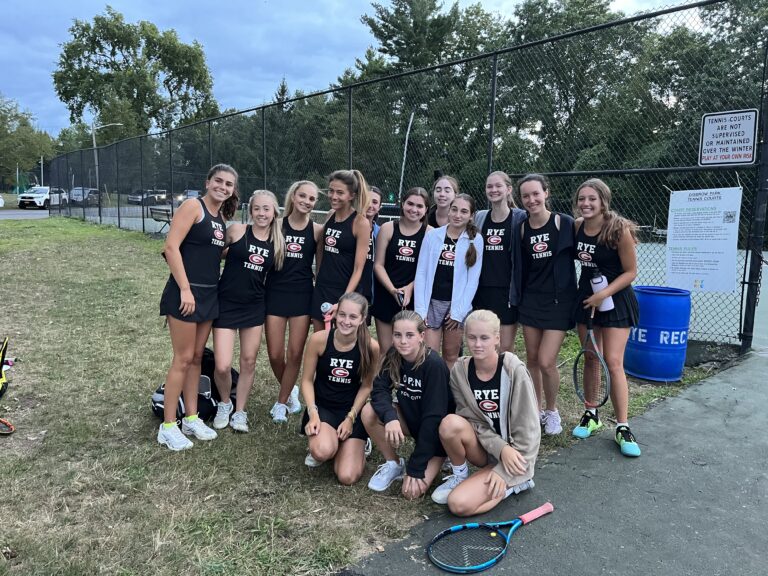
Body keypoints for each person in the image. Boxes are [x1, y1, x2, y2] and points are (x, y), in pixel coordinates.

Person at [157, 164, 239, 450]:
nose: (223, 187)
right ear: (208, 181)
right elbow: (171, 247)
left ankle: (191, 417)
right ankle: (168, 425)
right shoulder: (194, 206)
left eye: (229, 184)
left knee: (195, 359)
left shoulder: (220, 219)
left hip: (209, 296)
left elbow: (212, 254)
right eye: (219, 180)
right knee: (181, 359)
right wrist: (184, 289)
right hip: (185, 295)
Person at [433, 310, 540, 515]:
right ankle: (460, 475)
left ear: (497, 339)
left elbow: (529, 431)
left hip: (516, 456)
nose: (478, 344)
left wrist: (504, 470)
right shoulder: (460, 371)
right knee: (450, 424)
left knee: (458, 504)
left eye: (484, 338)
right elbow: (470, 420)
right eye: (472, 338)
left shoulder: (513, 370)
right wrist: (500, 448)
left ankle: (515, 484)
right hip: (487, 449)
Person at [571, 178, 641, 457]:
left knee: (613, 361)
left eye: (592, 199)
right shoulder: (577, 226)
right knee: (590, 357)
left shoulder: (618, 229)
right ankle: (591, 413)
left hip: (617, 301)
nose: (586, 203)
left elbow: (631, 271)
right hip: (587, 301)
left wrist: (604, 295)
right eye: (582, 199)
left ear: (603, 201)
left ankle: (623, 426)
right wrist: (594, 298)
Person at [210, 190, 284, 433]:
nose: (262, 213)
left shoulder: (278, 243)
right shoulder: (236, 231)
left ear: (274, 212)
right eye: (257, 208)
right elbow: (212, 254)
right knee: (222, 365)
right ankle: (224, 403)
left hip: (254, 306)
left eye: (266, 209)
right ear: (250, 210)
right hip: (227, 302)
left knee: (248, 361)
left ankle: (240, 411)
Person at [362, 311, 451, 498]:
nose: (403, 341)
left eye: (409, 335)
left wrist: (416, 466)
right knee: (369, 411)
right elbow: (379, 390)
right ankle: (393, 463)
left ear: (422, 336)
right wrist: (390, 418)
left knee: (410, 493)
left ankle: (443, 458)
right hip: (412, 421)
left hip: (436, 435)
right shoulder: (394, 355)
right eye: (397, 335)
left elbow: (434, 417)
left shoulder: (433, 364)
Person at [517, 174, 577, 436]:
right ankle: (537, 409)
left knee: (546, 360)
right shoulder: (522, 228)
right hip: (531, 300)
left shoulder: (565, 223)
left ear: (546, 193)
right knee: (531, 359)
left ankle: (552, 411)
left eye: (535, 194)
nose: (531, 200)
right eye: (526, 196)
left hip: (559, 302)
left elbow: (589, 242)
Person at [300, 292, 380, 485]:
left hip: (351, 410)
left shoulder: (371, 347)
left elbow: (367, 386)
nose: (346, 321)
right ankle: (331, 442)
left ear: (362, 319)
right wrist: (313, 413)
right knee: (322, 451)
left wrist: (351, 418)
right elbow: (307, 381)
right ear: (335, 314)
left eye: (353, 317)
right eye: (342, 314)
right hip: (324, 408)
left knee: (347, 477)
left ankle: (358, 444)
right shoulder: (319, 339)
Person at [265, 181, 324, 423]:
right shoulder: (275, 225)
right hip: (275, 294)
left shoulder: (317, 231)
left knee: (295, 353)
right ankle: (291, 392)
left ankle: (281, 402)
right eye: (303, 196)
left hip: (302, 296)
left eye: (311, 198)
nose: (307, 201)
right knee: (276, 354)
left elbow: (320, 270)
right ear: (293, 196)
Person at [415, 193, 483, 369]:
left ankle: (449, 395)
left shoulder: (475, 240)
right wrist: (420, 311)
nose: (457, 215)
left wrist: (458, 313)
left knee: (451, 356)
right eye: (454, 209)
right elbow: (421, 273)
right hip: (432, 304)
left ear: (471, 215)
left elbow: (472, 280)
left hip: (456, 306)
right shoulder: (433, 236)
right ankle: (431, 395)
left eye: (463, 211)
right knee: (428, 356)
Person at [371, 187, 431, 354]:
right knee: (387, 350)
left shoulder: (430, 233)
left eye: (419, 206)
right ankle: (387, 380)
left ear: (426, 209)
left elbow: (428, 271)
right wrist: (392, 290)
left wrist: (410, 288)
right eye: (410, 203)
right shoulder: (388, 228)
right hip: (387, 294)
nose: (414, 209)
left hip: (414, 298)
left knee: (410, 349)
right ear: (402, 204)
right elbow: (378, 265)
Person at [473, 171, 528, 353]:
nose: (493, 190)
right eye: (489, 186)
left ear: (508, 189)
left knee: (504, 348)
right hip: (482, 291)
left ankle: (504, 381)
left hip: (507, 292)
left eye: (498, 186)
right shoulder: (480, 217)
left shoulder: (519, 218)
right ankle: (484, 381)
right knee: (482, 345)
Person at [310, 170, 371, 331]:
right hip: (323, 288)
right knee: (320, 340)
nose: (333, 196)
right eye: (331, 191)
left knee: (340, 344)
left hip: (345, 291)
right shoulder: (330, 215)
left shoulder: (360, 223)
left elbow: (359, 268)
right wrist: (318, 280)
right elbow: (321, 250)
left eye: (339, 192)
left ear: (351, 195)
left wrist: (343, 301)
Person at [356, 185, 382, 306]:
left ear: (379, 207)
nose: (370, 204)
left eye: (375, 202)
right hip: (349, 284)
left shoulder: (380, 232)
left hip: (368, 288)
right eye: (366, 199)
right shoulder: (350, 227)